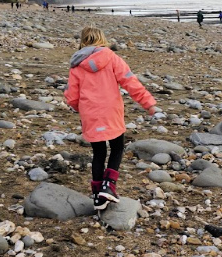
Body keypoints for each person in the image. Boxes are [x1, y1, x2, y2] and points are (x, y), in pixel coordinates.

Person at [64, 27, 159, 210]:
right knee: (117, 148)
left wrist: (80, 108)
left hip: (90, 113)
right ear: (102, 39)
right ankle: (109, 185)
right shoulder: (112, 58)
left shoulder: (77, 65)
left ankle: (97, 194)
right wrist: (148, 103)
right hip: (111, 111)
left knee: (98, 152)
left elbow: (72, 96)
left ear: (83, 41)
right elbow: (130, 82)